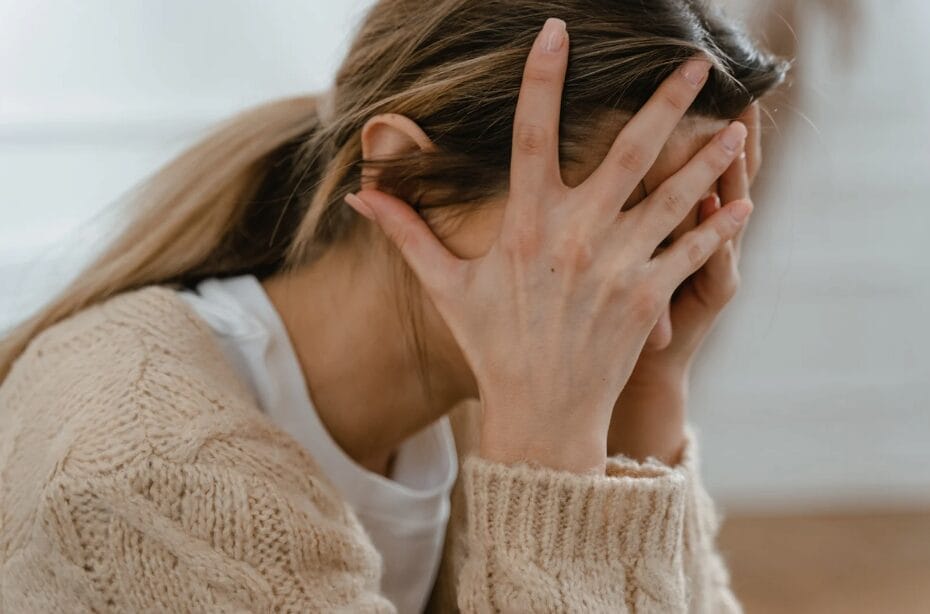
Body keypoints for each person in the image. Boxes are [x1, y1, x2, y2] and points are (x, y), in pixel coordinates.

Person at [0, 1, 787, 611]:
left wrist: (646, 395)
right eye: (617, 225)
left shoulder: (477, 409)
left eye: (681, 235)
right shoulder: (153, 479)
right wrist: (549, 465)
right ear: (406, 174)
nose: (642, 298)